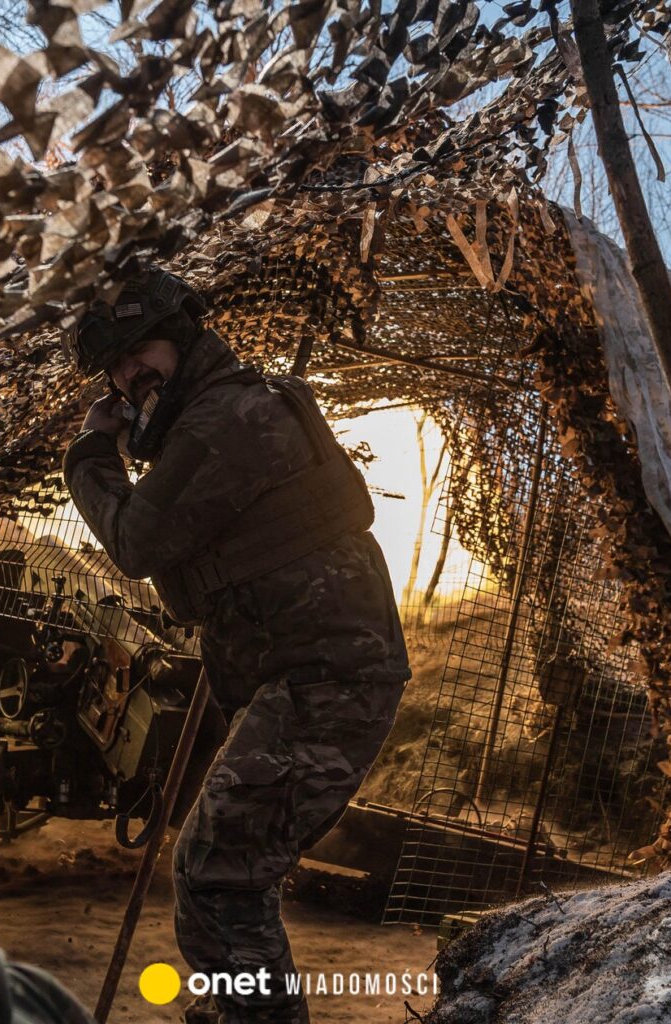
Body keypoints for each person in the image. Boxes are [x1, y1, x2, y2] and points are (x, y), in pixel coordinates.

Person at [61, 267, 411, 1023]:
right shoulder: (212, 418)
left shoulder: (228, 421)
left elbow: (135, 539)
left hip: (327, 680)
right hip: (302, 678)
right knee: (223, 869)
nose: (127, 377)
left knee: (221, 874)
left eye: (138, 352)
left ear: (182, 335)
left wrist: (91, 454)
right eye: (115, 369)